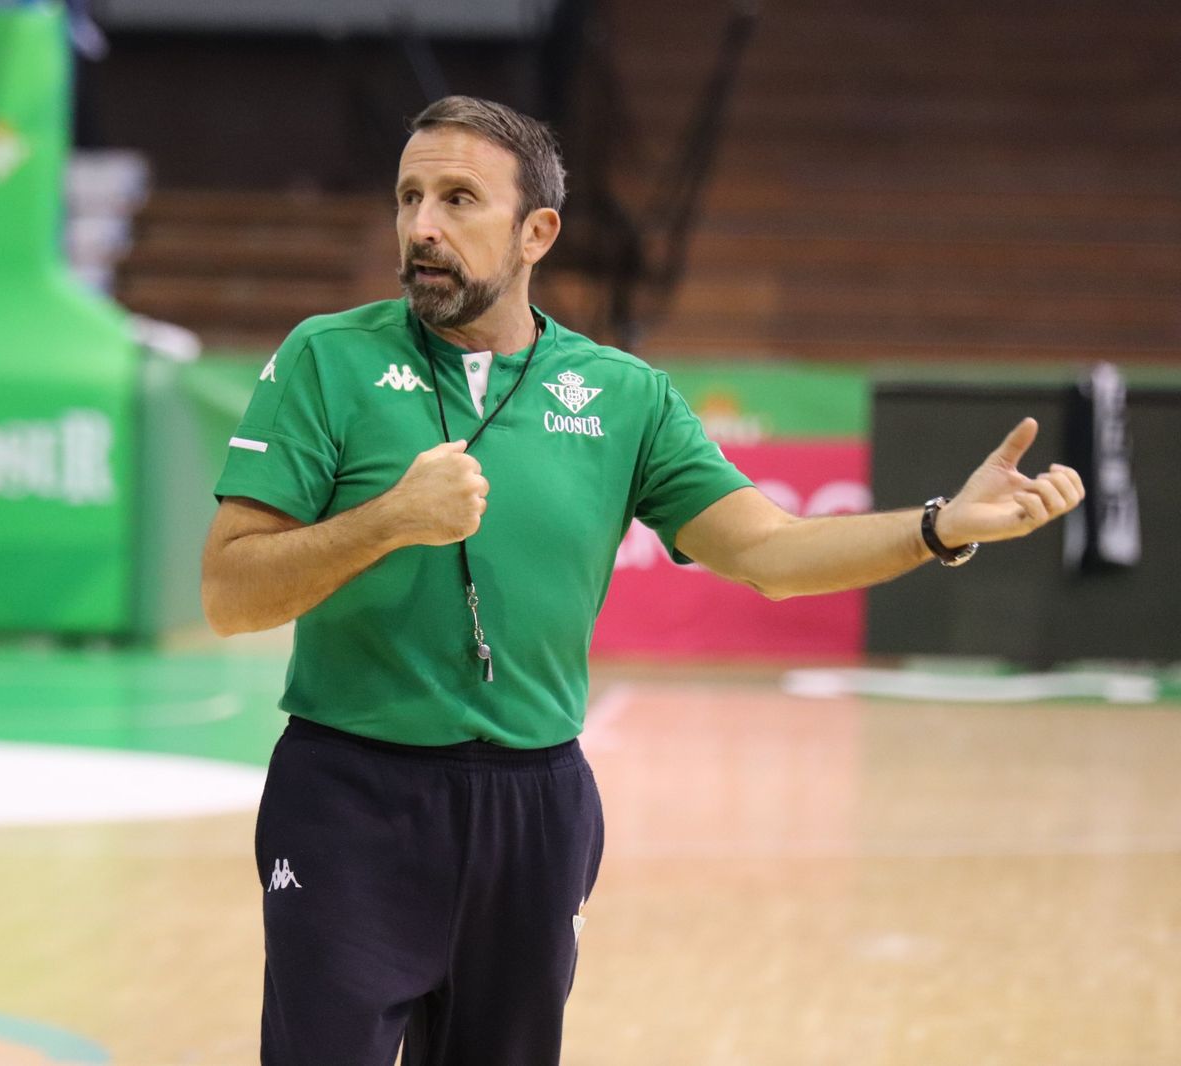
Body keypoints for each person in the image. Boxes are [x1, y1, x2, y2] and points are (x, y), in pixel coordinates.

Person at [200, 96, 1084, 1066]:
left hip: (533, 807)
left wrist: (937, 527)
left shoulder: (623, 396)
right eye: (409, 197)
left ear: (537, 231)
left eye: (457, 199)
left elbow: (770, 553)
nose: (421, 226)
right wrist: (389, 520)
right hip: (349, 798)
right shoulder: (329, 358)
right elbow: (232, 592)